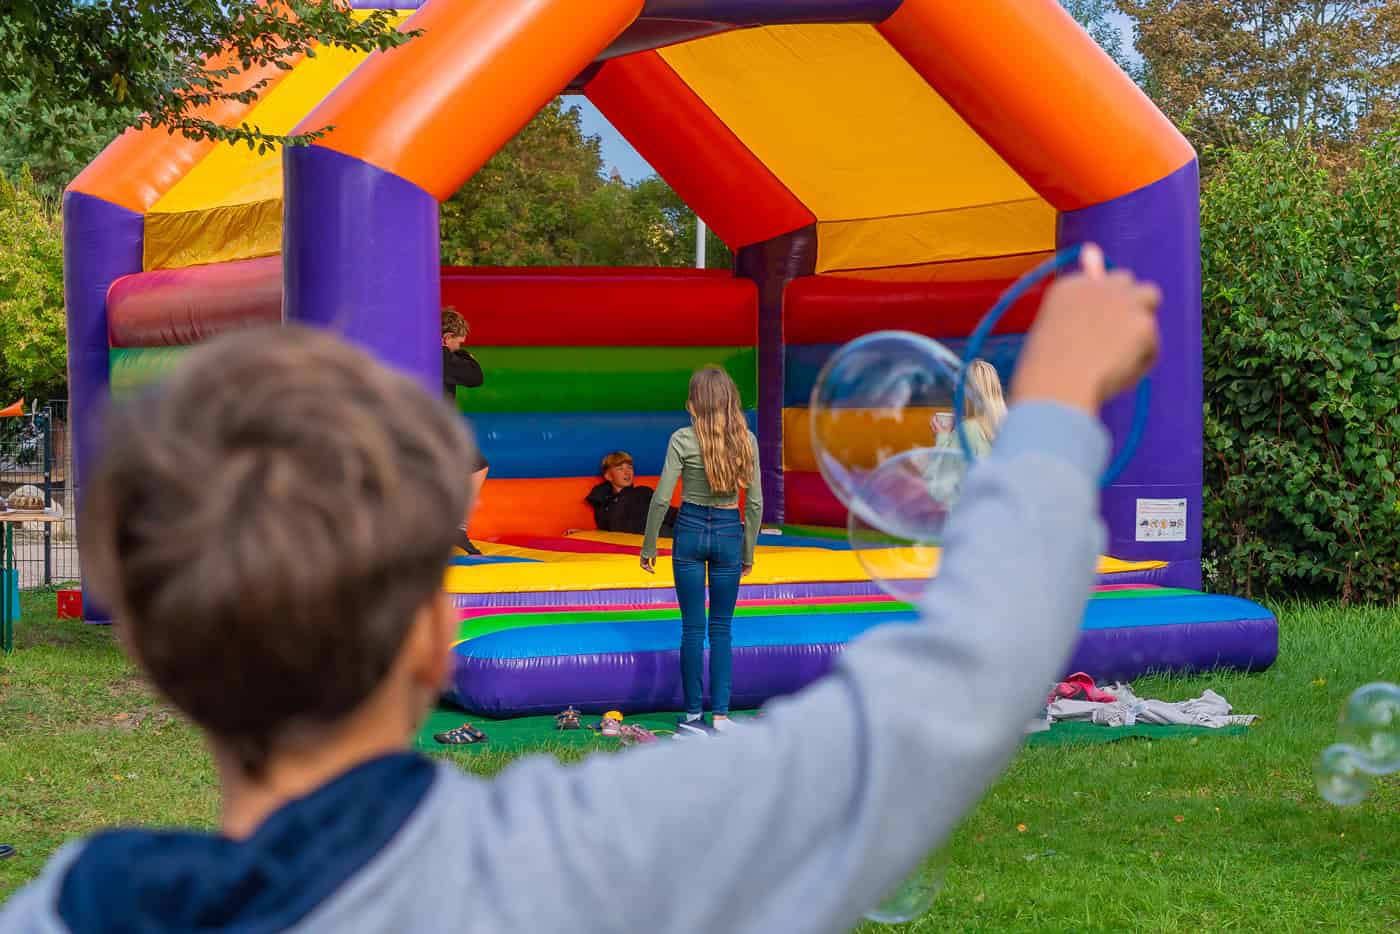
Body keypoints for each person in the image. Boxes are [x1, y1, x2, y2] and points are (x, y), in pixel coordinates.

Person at [1, 245, 1161, 934]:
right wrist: (1049, 398)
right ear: (430, 631)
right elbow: (946, 696)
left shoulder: (68, 907)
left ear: (153, 648)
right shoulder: (577, 859)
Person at [639, 368, 762, 736]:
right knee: (722, 628)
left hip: (690, 529)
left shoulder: (681, 438)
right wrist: (749, 550)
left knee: (692, 629)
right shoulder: (746, 441)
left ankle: (694, 717)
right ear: (730, 400)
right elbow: (754, 503)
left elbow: (662, 498)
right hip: (728, 531)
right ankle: (722, 717)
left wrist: (648, 545)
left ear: (693, 403)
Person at [441, 308, 487, 555]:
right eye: (458, 342)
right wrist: (463, 354)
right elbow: (475, 376)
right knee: (476, 468)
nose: (460, 347)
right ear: (446, 338)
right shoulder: (442, 357)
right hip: (437, 426)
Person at [585, 450, 676, 536]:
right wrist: (586, 534)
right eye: (620, 469)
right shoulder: (603, 499)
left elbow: (668, 513)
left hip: (663, 534)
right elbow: (607, 528)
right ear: (608, 476)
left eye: (630, 467)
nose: (627, 472)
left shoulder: (642, 492)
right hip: (634, 542)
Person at [933, 358, 1007, 458]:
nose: (954, 389)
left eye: (958, 384)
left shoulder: (968, 429)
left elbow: (943, 471)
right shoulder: (1007, 424)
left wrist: (942, 435)